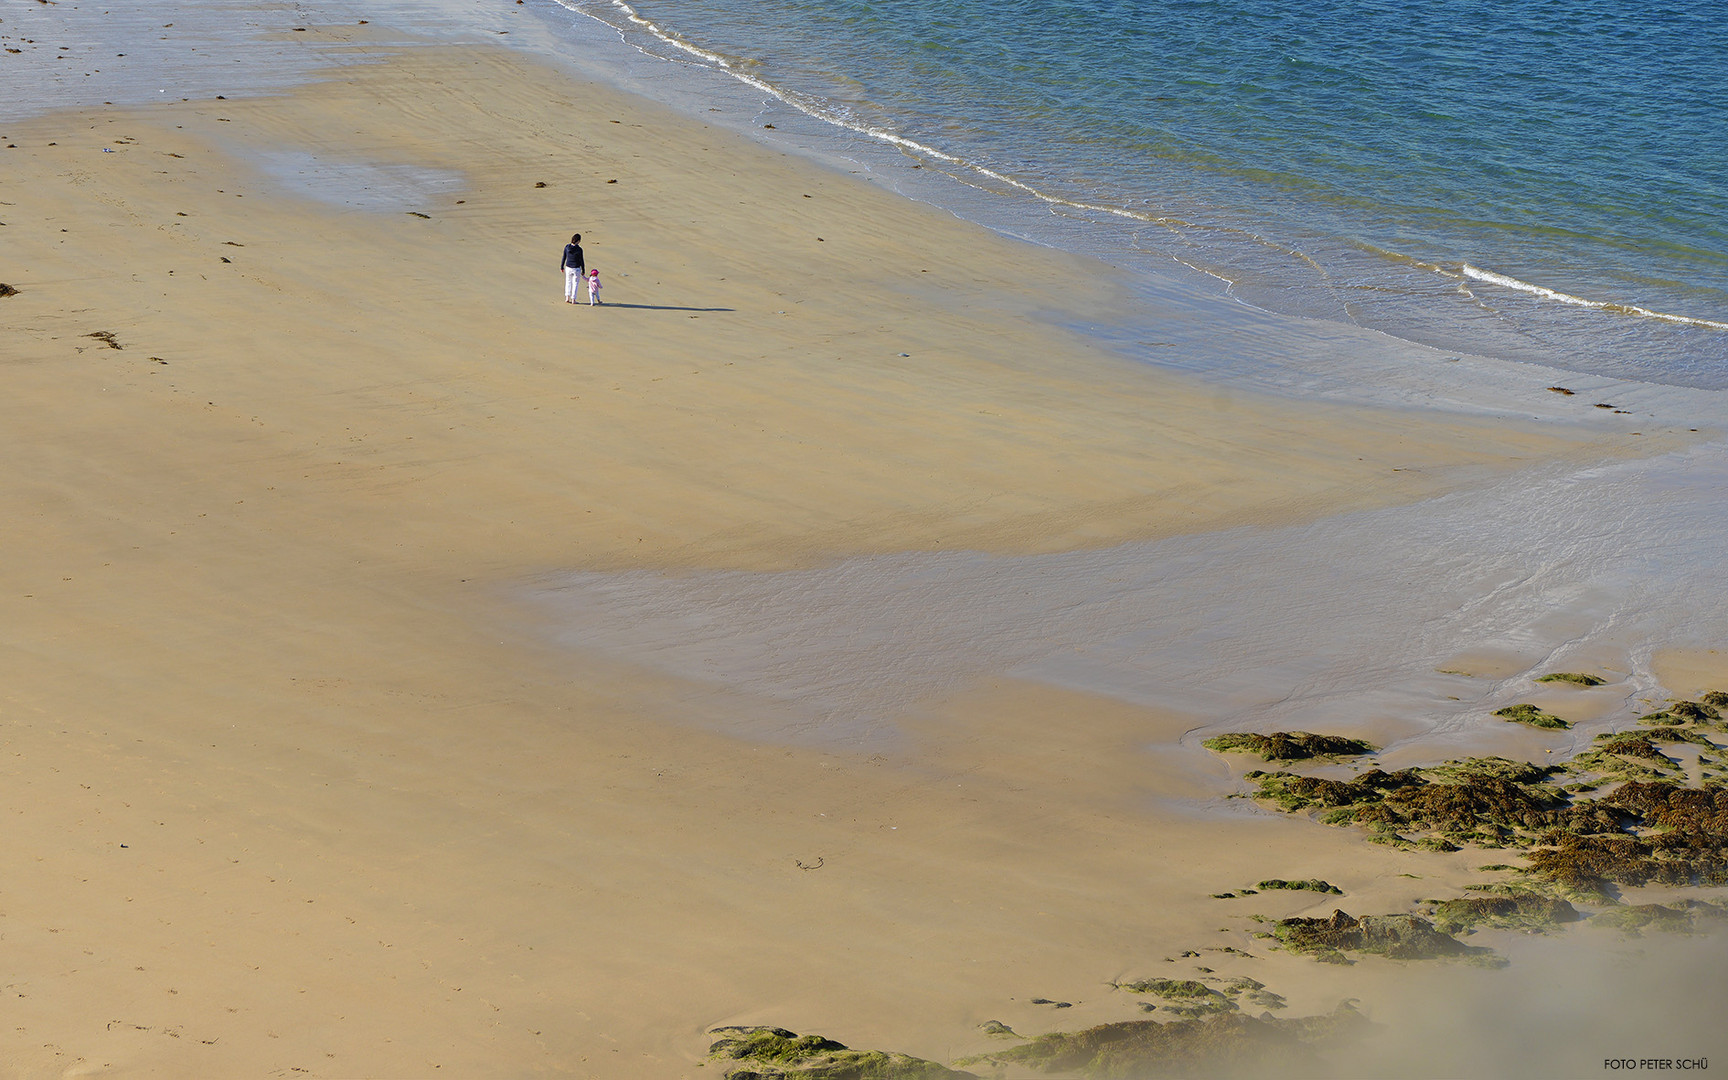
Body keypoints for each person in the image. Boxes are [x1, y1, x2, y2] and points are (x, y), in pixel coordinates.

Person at [561, 233, 585, 304]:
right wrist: (583, 269)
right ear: (578, 241)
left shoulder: (567, 247)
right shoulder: (579, 249)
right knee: (575, 284)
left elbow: (564, 257)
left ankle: (567, 298)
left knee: (568, 282)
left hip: (568, 267)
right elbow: (581, 260)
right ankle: (573, 299)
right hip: (576, 268)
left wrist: (561, 266)